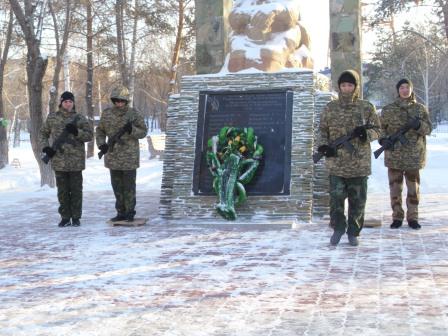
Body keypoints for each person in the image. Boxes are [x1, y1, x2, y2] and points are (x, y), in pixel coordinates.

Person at [318, 70, 381, 246]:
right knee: (336, 200)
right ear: (339, 87)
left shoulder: (366, 107)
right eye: (344, 85)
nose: (346, 88)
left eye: (350, 85)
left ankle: (353, 232)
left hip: (359, 163)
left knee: (358, 201)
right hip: (336, 164)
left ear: (356, 87)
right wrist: (324, 147)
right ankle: (338, 228)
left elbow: (378, 129)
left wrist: (364, 134)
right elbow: (322, 130)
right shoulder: (331, 107)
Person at [379, 78, 432, 230]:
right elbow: (380, 128)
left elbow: (428, 129)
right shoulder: (388, 109)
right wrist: (383, 140)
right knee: (395, 189)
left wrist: (419, 125)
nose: (405, 90)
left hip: (414, 156)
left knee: (413, 190)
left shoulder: (420, 109)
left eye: (407, 87)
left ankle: (413, 218)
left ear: (411, 89)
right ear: (398, 90)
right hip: (394, 155)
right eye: (402, 87)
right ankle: (397, 217)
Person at [39, 91, 93, 227]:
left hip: (76, 161)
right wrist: (46, 148)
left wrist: (76, 132)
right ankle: (64, 217)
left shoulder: (80, 118)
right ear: (61, 103)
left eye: (70, 101)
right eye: (65, 101)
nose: (68, 104)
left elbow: (89, 135)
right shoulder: (52, 118)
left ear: (73, 103)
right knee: (62, 191)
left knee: (76, 191)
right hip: (59, 160)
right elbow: (43, 134)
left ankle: (75, 218)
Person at [96, 86, 148, 222]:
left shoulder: (133, 114)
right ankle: (120, 212)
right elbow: (100, 131)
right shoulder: (106, 114)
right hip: (113, 156)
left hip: (129, 157)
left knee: (129, 187)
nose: (119, 103)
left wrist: (132, 129)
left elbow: (143, 132)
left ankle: (130, 212)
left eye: (122, 101)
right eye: (116, 101)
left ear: (126, 101)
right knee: (117, 186)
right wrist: (101, 144)